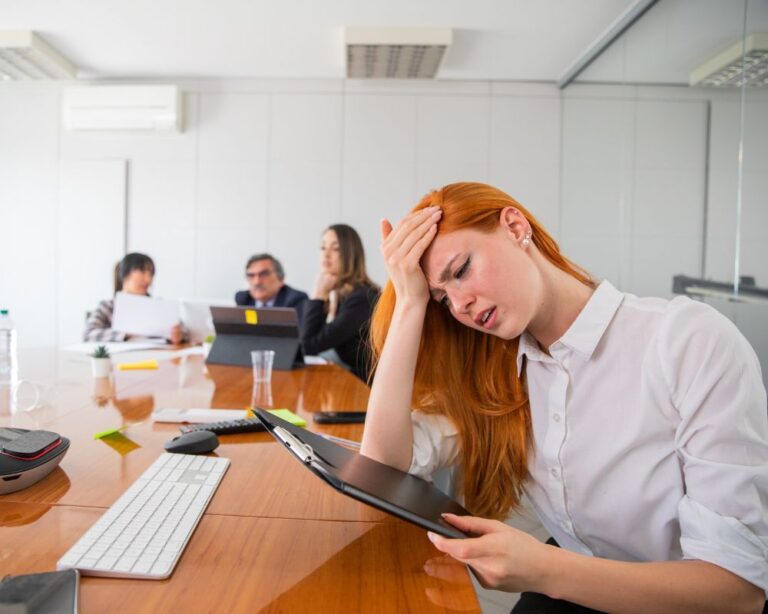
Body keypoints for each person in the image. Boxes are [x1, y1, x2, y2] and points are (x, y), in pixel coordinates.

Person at [361, 182, 768, 613]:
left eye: (461, 270)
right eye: (442, 299)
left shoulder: (686, 341)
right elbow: (380, 470)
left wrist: (543, 568)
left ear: (515, 227)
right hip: (573, 588)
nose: (460, 305)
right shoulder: (499, 374)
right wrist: (409, 303)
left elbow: (737, 593)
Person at [301, 224, 379, 382]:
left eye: (335, 249)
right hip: (352, 379)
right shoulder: (343, 293)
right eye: (323, 248)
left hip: (367, 387)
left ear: (350, 254)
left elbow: (309, 345)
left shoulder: (361, 297)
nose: (326, 254)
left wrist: (318, 295)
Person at [84, 252, 184, 344]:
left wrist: (177, 335)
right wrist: (126, 333)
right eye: (142, 271)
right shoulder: (107, 306)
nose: (148, 279)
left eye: (151, 274)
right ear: (124, 273)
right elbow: (88, 334)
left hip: (154, 360)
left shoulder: (158, 305)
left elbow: (184, 330)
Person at [235, 254, 309, 323]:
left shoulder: (295, 300)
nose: (257, 282)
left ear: (280, 279)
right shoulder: (244, 299)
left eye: (264, 274)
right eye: (251, 275)